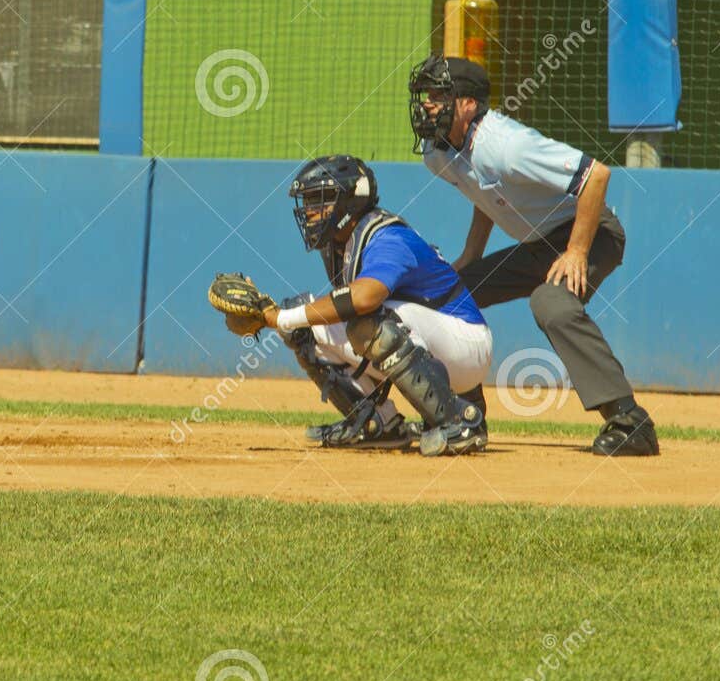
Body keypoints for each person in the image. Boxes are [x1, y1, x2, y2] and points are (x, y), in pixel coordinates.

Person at [408, 54, 658, 456]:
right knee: (448, 296)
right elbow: (484, 194)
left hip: (592, 234)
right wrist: (471, 255)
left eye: (439, 95)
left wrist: (577, 251)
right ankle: (463, 414)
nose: (428, 105)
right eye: (425, 96)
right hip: (539, 245)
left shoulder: (506, 146)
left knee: (551, 303)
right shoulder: (438, 154)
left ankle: (631, 422)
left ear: (468, 104)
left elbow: (596, 175)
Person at [244, 155, 491, 457]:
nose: (309, 213)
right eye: (307, 202)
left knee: (366, 323)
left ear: (350, 202)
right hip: (432, 340)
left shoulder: (387, 236)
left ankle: (457, 421)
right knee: (306, 330)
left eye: (319, 200)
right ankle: (377, 423)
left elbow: (364, 298)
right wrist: (286, 318)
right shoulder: (339, 244)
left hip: (465, 343)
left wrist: (280, 318)